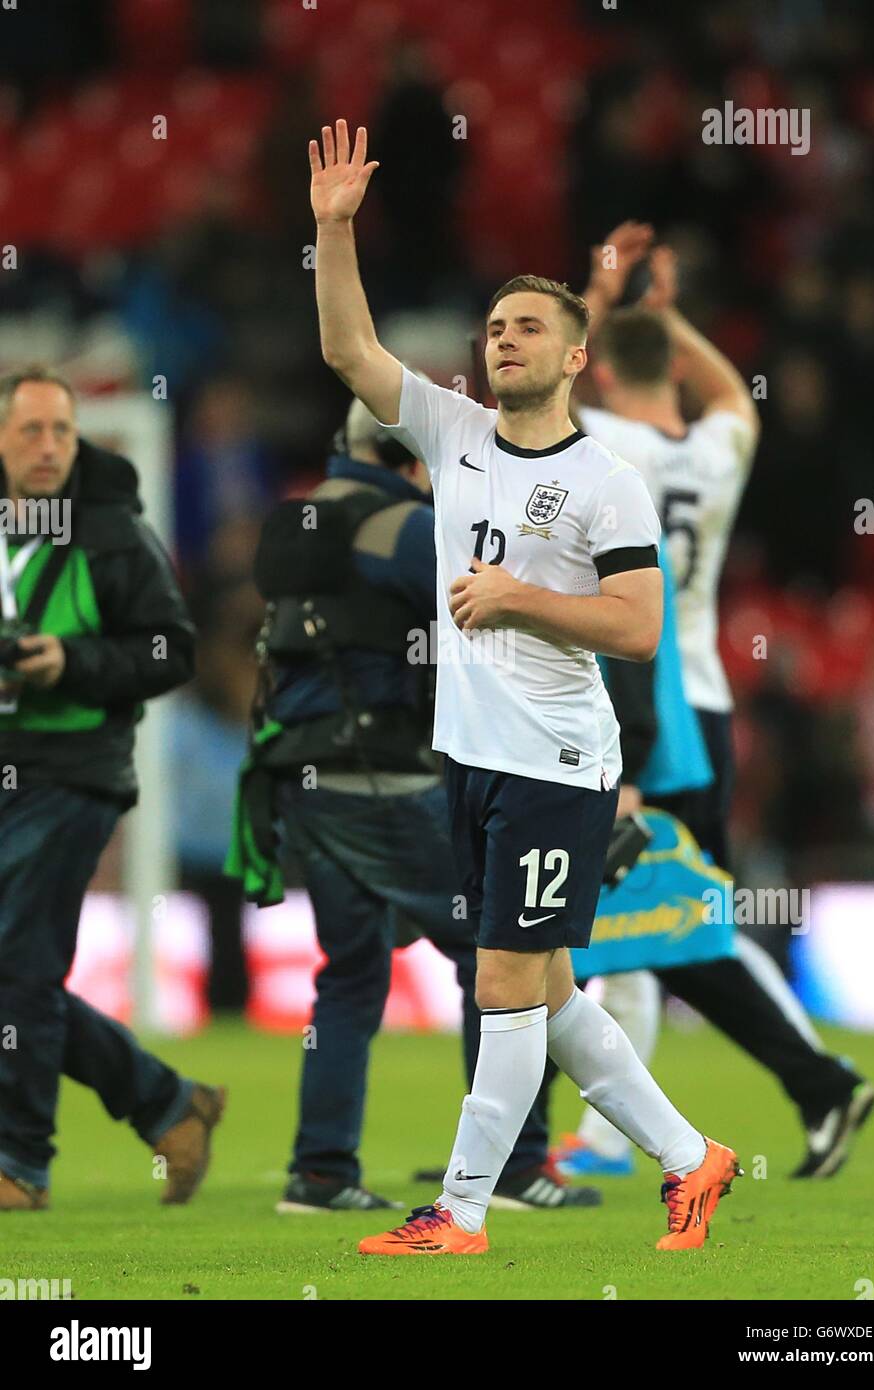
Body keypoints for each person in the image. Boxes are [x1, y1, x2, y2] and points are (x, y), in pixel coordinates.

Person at [309, 120, 741, 1256]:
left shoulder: (606, 480)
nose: (503, 339)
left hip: (555, 762)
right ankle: (694, 1159)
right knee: (546, 993)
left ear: (573, 355)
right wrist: (333, 230)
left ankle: (457, 1212)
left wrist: (517, 600)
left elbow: (640, 629)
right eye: (494, 326)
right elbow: (351, 355)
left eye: (527, 326)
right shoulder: (452, 433)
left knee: (500, 973)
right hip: (473, 759)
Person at [228, 390, 599, 1212]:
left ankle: (321, 1172)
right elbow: (482, 614)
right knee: (498, 951)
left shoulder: (301, 517)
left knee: (351, 977)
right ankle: (515, 1164)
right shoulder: (399, 529)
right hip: (382, 779)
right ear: (408, 463)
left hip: (301, 777)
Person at [568, 226, 874, 1178]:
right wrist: (662, 313)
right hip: (700, 693)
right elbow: (734, 397)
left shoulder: (606, 439)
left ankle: (818, 1079)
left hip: (645, 705)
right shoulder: (714, 450)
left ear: (606, 375)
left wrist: (598, 291)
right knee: (640, 917)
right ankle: (597, 1142)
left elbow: (550, 373)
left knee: (676, 918)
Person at [0, 367, 225, 1210]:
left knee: (19, 967)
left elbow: (174, 649)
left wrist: (74, 662)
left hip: (74, 773)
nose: (50, 446)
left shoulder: (112, 533)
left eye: (62, 430)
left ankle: (20, 1163)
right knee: (14, 977)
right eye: (31, 430)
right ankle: (169, 1103)